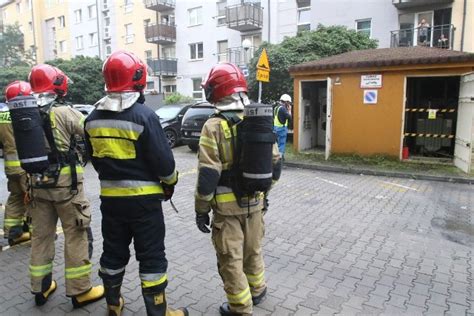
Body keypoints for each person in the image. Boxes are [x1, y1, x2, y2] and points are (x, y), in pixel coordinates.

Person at [84, 50, 187, 316]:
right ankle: (158, 312)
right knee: (151, 256)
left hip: (110, 202)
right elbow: (165, 165)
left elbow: (95, 160)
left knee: (113, 252)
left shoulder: (92, 119)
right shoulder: (144, 116)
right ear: (138, 78)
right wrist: (170, 183)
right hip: (145, 205)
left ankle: (113, 304)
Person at [195, 63, 282, 315]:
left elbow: (208, 175)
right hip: (255, 202)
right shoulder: (257, 118)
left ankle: (240, 308)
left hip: (227, 209)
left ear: (216, 91)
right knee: (253, 250)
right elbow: (275, 166)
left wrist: (201, 209)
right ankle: (258, 290)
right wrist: (264, 195)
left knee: (230, 259)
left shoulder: (213, 126)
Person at [26, 64, 104, 307]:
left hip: (37, 185)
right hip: (66, 188)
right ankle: (80, 291)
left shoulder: (25, 113)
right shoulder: (64, 112)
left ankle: (41, 288)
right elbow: (91, 130)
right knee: (76, 235)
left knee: (41, 237)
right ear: (58, 85)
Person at [1, 81, 31, 246]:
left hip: (9, 166)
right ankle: (36, 233)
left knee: (15, 198)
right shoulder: (24, 112)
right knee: (33, 199)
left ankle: (12, 233)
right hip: (25, 165)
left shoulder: (2, 115)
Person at [274, 94, 292, 159]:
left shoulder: (276, 108)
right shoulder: (283, 109)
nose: (289, 104)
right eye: (288, 102)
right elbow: (289, 118)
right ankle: (279, 159)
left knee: (276, 144)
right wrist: (289, 110)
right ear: (286, 101)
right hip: (281, 129)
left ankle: (276, 157)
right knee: (281, 144)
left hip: (275, 128)